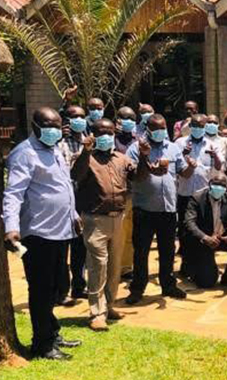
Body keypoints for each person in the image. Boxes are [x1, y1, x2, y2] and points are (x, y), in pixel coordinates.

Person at [2, 107, 82, 360]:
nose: (54, 130)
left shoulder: (55, 149)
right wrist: (11, 227)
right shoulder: (24, 154)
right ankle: (43, 345)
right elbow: (13, 193)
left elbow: (63, 186)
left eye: (58, 126)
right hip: (38, 233)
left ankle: (52, 331)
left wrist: (74, 216)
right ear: (35, 125)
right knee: (41, 289)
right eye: (49, 125)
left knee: (59, 286)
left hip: (61, 231)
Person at [71, 118, 135, 330]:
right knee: (98, 265)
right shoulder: (85, 158)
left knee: (115, 265)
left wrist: (143, 157)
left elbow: (139, 177)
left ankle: (109, 305)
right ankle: (96, 313)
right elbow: (76, 175)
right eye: (101, 132)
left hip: (118, 218)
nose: (106, 136)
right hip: (95, 220)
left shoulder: (121, 158)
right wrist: (86, 151)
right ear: (94, 135)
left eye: (110, 132)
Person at [125, 114, 191, 304]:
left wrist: (192, 166)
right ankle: (137, 288)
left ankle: (168, 285)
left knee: (168, 250)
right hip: (144, 209)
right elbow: (134, 177)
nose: (160, 132)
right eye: (156, 129)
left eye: (163, 128)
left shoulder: (172, 148)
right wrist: (146, 160)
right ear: (148, 129)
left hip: (168, 209)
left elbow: (183, 172)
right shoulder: (136, 149)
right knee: (142, 251)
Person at [182, 171, 227, 289]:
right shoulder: (197, 198)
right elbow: (189, 223)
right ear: (209, 183)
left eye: (223, 185)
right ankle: (192, 268)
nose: (219, 187)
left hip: (220, 237)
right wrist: (205, 237)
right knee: (207, 283)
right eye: (216, 183)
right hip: (202, 241)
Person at [176, 114, 224, 275]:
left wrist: (214, 156)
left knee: (204, 228)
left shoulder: (211, 145)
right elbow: (178, 168)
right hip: (185, 193)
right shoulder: (180, 143)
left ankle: (204, 263)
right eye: (195, 125)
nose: (198, 128)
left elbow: (218, 167)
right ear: (190, 127)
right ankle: (186, 264)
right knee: (185, 230)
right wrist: (183, 153)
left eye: (201, 126)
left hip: (204, 195)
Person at [58, 105, 89, 304]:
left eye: (82, 116)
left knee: (80, 248)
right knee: (62, 249)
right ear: (67, 121)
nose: (80, 119)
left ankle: (79, 285)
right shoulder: (59, 144)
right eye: (75, 117)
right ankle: (62, 291)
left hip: (83, 200)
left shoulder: (87, 140)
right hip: (65, 200)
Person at [114, 106, 138, 279]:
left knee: (132, 233)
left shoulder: (139, 141)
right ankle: (115, 267)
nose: (128, 122)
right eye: (125, 118)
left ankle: (127, 267)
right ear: (118, 121)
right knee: (119, 233)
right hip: (119, 193)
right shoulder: (111, 141)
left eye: (132, 118)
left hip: (137, 193)